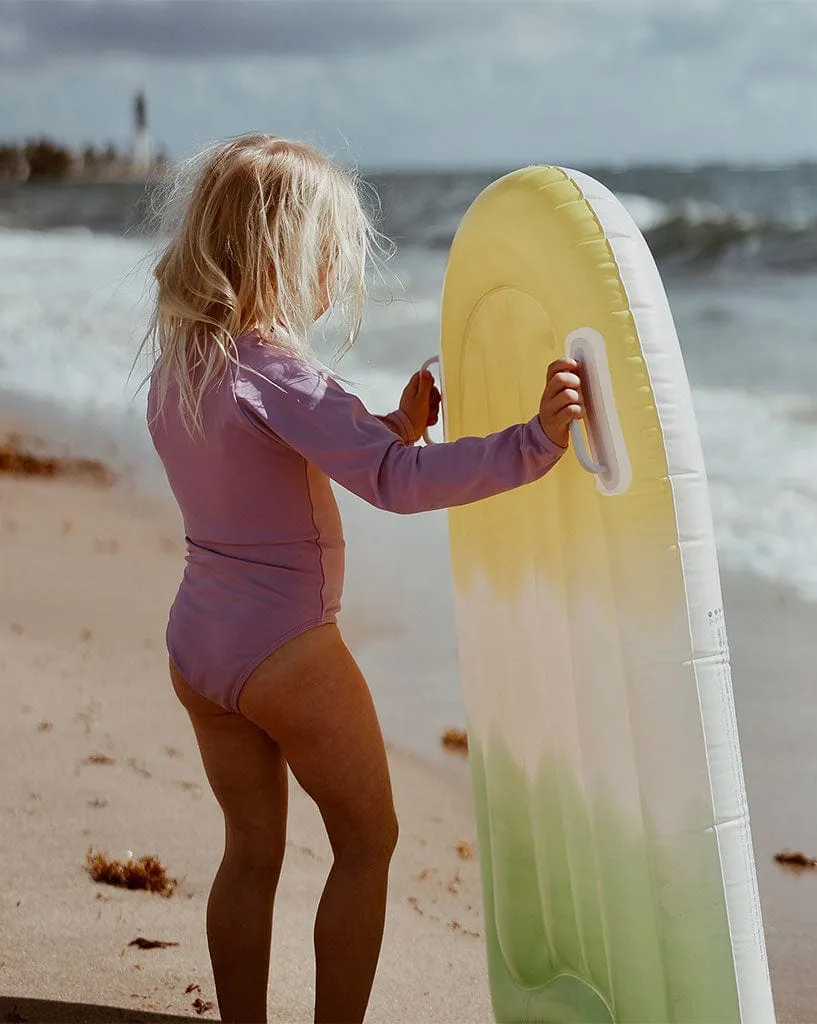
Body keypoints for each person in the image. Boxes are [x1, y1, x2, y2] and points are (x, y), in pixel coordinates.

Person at [145, 133, 583, 1024]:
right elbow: (392, 483)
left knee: (250, 853)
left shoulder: (181, 369)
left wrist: (393, 422)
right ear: (282, 250)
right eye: (327, 250)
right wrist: (531, 444)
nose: (334, 269)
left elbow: (269, 462)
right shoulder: (284, 373)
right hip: (286, 649)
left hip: (198, 644)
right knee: (368, 842)